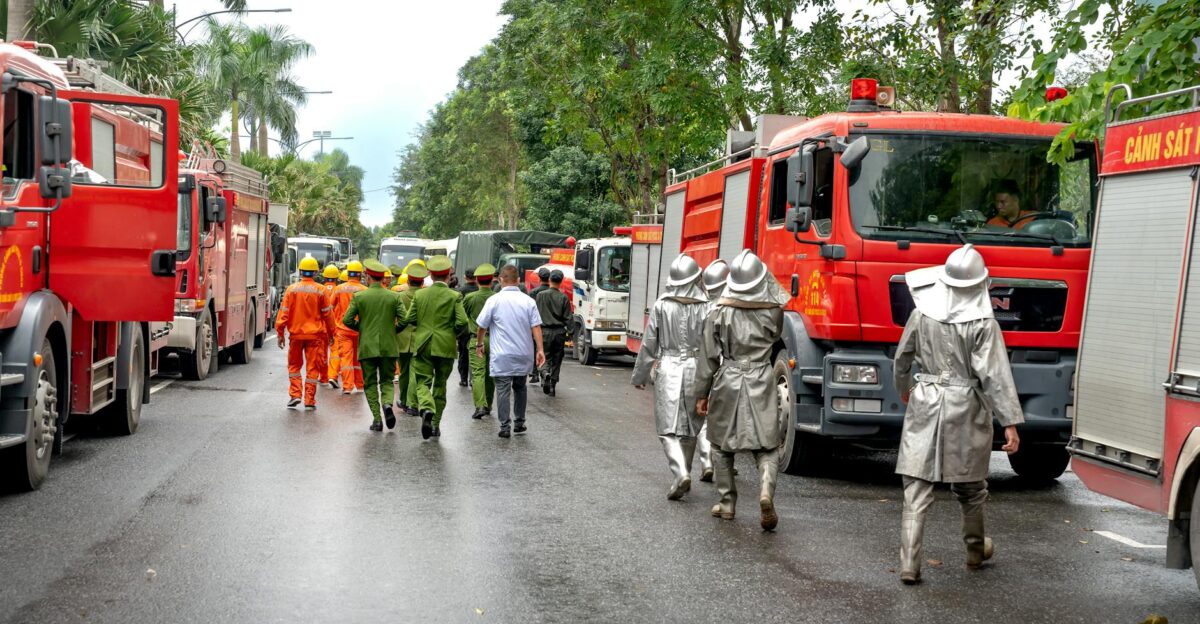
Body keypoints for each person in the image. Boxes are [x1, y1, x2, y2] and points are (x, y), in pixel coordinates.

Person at [893, 243, 1023, 585]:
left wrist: (904, 387)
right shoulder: (984, 322)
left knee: (916, 486)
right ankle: (974, 551)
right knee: (970, 488)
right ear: (982, 283)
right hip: (966, 405)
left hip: (925, 399)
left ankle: (909, 563)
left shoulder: (922, 312)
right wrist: (1009, 422)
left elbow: (902, 357)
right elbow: (994, 375)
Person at [696, 249, 787, 531]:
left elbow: (708, 356)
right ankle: (765, 493)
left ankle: (727, 503)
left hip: (729, 378)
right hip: (762, 375)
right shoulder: (774, 310)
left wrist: (701, 393)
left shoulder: (718, 311)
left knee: (721, 444)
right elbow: (775, 337)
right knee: (767, 445)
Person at [632, 254, 709, 500]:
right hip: (697, 367)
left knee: (667, 428)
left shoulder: (662, 305)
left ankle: (680, 473)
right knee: (690, 428)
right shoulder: (707, 306)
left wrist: (640, 375)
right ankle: (684, 471)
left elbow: (649, 343)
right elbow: (711, 346)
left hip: (669, 367)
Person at [399, 255, 469, 440]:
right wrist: (451, 333)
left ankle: (427, 408)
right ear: (448, 275)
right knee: (440, 384)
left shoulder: (421, 294)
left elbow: (409, 319)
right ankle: (436, 425)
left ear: (430, 275)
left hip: (422, 345)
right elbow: (463, 322)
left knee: (422, 382)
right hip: (445, 346)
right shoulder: (455, 296)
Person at [476, 264, 545, 438]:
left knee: (503, 389)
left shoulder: (494, 300)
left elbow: (482, 326)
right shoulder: (528, 301)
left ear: (500, 280)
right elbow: (536, 327)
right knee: (521, 387)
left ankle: (505, 426)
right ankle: (519, 423)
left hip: (502, 354)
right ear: (519, 281)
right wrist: (540, 350)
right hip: (524, 352)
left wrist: (479, 344)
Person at [342, 260, 406, 432]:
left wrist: (361, 328)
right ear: (383, 279)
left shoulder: (359, 297)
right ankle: (387, 404)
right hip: (388, 346)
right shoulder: (394, 296)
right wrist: (393, 331)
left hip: (367, 347)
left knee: (370, 383)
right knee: (386, 381)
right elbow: (405, 319)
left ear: (368, 277)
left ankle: (377, 419)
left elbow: (346, 320)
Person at [275, 257, 335, 409]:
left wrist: (280, 333)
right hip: (315, 336)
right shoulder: (320, 291)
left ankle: (295, 395)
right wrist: (332, 334)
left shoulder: (291, 290)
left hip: (296, 335)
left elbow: (283, 313)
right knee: (312, 368)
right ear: (315, 272)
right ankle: (309, 400)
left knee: (294, 366)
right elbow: (328, 315)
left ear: (301, 271)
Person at [695, 258, 729, 483]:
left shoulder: (703, 309)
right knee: (728, 419)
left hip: (708, 367)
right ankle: (725, 463)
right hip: (731, 370)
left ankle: (707, 461)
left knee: (705, 419)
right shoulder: (731, 308)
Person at [462, 263, 497, 419]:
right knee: (491, 374)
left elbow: (462, 317)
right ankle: (488, 405)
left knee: (478, 373)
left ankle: (480, 405)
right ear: (492, 280)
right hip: (496, 340)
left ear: (476, 280)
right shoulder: (497, 298)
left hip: (477, 339)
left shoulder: (470, 298)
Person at [394, 263, 428, 415]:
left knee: (404, 372)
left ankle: (403, 399)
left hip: (401, 338)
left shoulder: (399, 296)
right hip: (419, 339)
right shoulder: (425, 295)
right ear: (422, 282)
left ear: (408, 282)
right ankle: (411, 403)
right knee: (415, 371)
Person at [331, 261, 368, 394]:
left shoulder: (339, 289)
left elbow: (330, 308)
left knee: (346, 359)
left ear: (348, 274)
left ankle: (347, 386)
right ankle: (360, 385)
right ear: (360, 274)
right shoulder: (365, 290)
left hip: (342, 330)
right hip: (359, 330)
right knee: (358, 359)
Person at [535, 270, 571, 396]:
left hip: (544, 331)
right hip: (559, 332)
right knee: (557, 358)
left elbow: (536, 315)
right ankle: (553, 384)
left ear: (549, 279)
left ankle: (545, 374)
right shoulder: (564, 297)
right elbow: (568, 317)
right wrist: (571, 333)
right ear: (561, 281)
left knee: (543, 355)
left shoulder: (540, 295)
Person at [319, 264, 341, 388]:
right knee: (335, 351)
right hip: (335, 324)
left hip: (321, 325)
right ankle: (332, 375)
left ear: (325, 277)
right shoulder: (338, 289)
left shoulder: (320, 289)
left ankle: (323, 377)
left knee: (322, 352)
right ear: (337, 277)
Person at [456, 268, 479, 387]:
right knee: (477, 354)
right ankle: (474, 378)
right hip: (478, 328)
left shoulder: (460, 291)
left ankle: (463, 378)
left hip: (465, 329)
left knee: (463, 354)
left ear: (465, 277)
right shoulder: (479, 290)